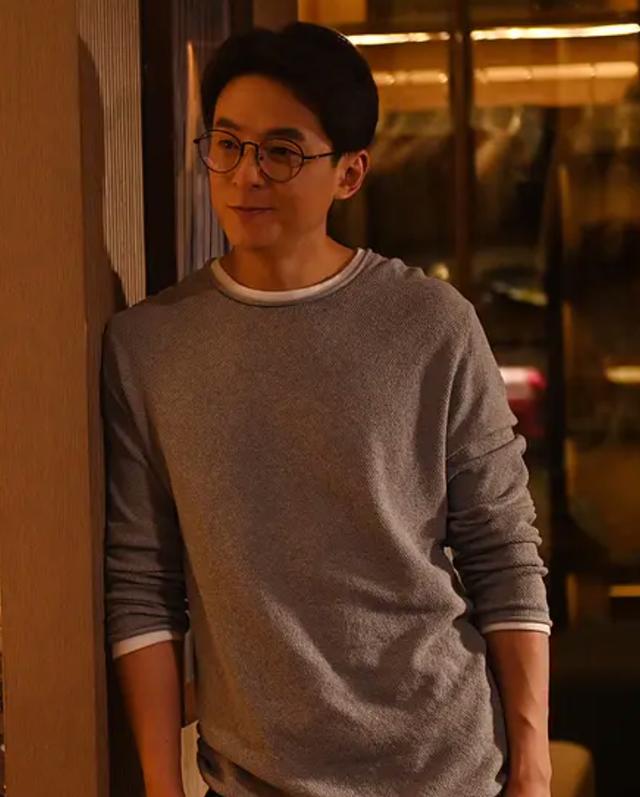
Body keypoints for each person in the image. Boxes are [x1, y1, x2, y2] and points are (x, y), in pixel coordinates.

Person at [101, 21, 552, 797]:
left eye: (281, 151)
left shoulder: (431, 324)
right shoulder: (149, 345)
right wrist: (158, 786)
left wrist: (533, 769)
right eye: (227, 144)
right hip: (254, 777)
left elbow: (504, 553)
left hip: (442, 765)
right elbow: (143, 580)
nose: (246, 175)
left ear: (349, 173)